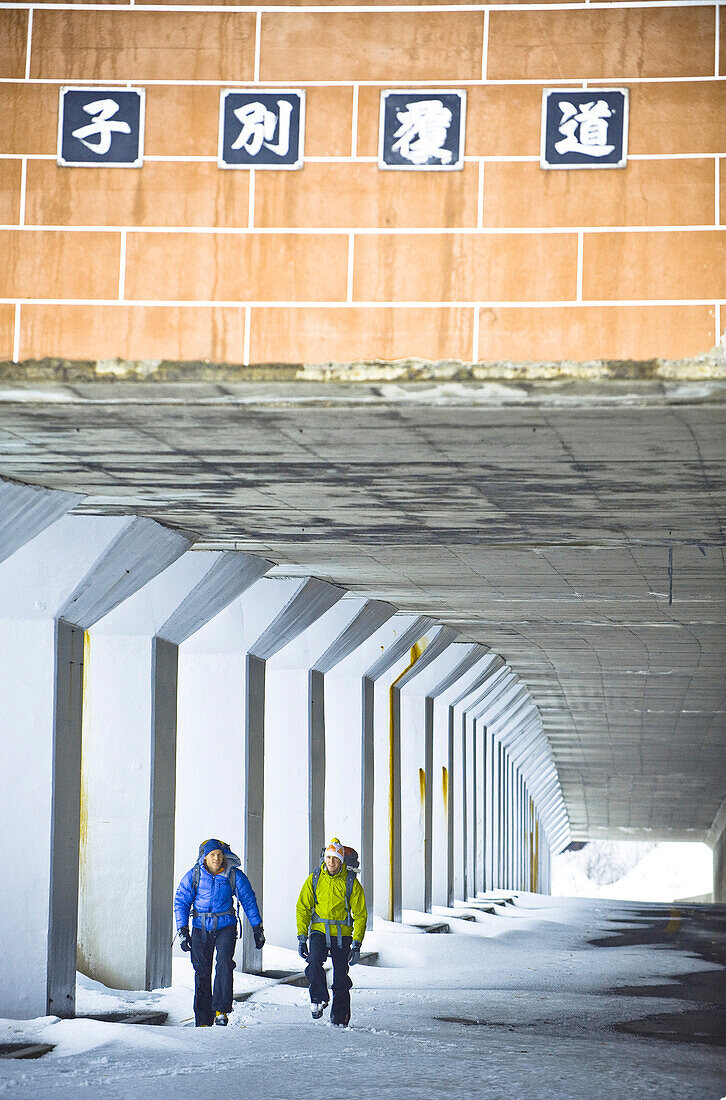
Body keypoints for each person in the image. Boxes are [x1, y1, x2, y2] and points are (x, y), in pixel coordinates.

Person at [174, 838, 265, 1027]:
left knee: (224, 964)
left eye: (219, 855)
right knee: (202, 971)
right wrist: (183, 930)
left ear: (224, 857)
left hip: (226, 927)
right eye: (212, 855)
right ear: (205, 857)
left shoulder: (234, 875)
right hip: (200, 928)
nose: (216, 859)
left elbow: (248, 900)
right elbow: (181, 901)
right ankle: (203, 1019)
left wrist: (257, 928)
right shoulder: (194, 875)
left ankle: (221, 1010)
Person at [296, 837, 367, 1027]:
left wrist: (357, 943)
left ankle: (340, 1017)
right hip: (319, 931)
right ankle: (318, 998)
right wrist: (302, 937)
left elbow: (360, 914)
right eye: (328, 858)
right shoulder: (315, 878)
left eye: (335, 858)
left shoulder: (351, 883)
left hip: (342, 933)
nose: (331, 862)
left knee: (341, 976)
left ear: (341, 861)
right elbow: (303, 907)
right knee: (313, 963)